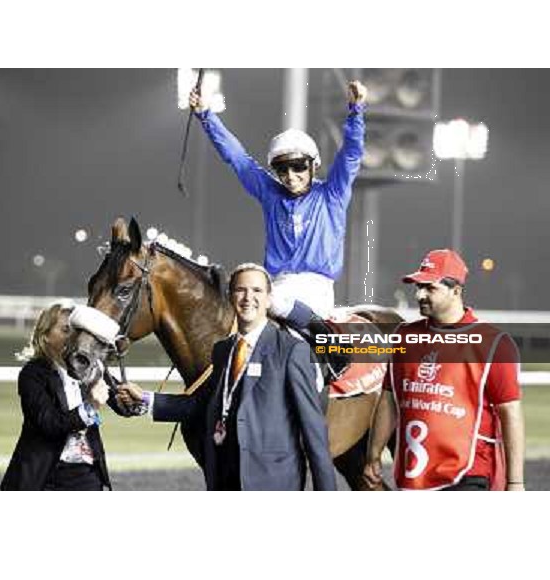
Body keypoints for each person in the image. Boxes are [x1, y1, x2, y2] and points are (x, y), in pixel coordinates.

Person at [118, 263, 337, 491]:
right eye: (240, 290)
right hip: (224, 480)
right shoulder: (222, 351)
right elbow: (202, 405)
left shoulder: (292, 351)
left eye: (256, 291)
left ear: (269, 299)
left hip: (273, 483)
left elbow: (314, 433)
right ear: (230, 298)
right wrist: (146, 399)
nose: (247, 297)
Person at [189, 79, 367, 339]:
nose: (291, 175)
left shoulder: (332, 193)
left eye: (298, 166)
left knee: (263, 302)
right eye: (282, 169)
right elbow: (237, 158)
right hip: (275, 285)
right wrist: (206, 115)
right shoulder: (270, 194)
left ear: (313, 165)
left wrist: (356, 111)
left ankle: (329, 350)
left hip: (314, 289)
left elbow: (351, 154)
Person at [363, 249, 525, 491]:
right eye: (418, 287)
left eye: (430, 288)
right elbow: (389, 398)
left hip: (469, 475)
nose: (420, 295)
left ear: (456, 291)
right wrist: (373, 454)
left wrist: (515, 482)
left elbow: (510, 413)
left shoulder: (494, 344)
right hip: (414, 476)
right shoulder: (405, 336)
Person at [1, 302, 124, 490]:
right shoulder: (33, 374)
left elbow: (124, 404)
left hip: (87, 473)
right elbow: (50, 424)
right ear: (46, 336)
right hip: (46, 476)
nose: (73, 336)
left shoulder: (90, 367)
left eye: (75, 331)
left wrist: (137, 399)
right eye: (65, 329)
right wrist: (90, 406)